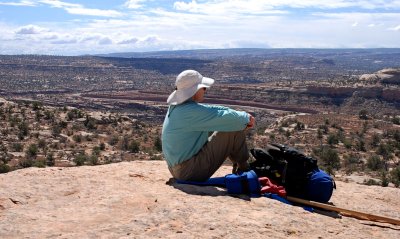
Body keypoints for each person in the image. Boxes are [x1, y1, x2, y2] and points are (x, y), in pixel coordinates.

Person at [162, 69, 256, 181]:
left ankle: (243, 170)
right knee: (232, 127)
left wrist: (239, 115)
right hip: (189, 171)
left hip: (178, 169)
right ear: (194, 90)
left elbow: (211, 110)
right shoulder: (190, 113)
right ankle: (245, 171)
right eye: (203, 88)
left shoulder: (179, 107)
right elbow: (228, 119)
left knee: (229, 122)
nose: (205, 90)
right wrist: (246, 119)